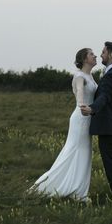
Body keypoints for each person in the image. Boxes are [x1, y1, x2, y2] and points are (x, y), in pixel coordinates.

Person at [30, 48, 98, 201]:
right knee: (75, 151)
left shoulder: (90, 76)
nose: (95, 56)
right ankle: (71, 191)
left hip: (87, 117)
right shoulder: (80, 76)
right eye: (91, 54)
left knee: (85, 153)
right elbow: (80, 91)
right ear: (84, 58)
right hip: (81, 117)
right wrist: (82, 105)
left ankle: (78, 190)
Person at [80, 41, 112, 200]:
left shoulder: (111, 76)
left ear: (111, 55)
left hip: (109, 127)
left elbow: (104, 97)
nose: (101, 55)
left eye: (104, 52)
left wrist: (92, 108)